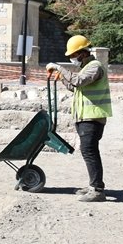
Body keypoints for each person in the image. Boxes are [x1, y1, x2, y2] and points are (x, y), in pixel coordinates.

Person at [46, 34, 113, 202]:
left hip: (93, 117)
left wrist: (59, 68)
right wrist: (62, 77)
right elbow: (75, 87)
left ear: (82, 53)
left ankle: (97, 190)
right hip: (85, 117)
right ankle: (94, 186)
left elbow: (79, 81)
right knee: (88, 150)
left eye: (73, 55)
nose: (71, 58)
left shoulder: (95, 67)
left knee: (89, 151)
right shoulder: (86, 67)